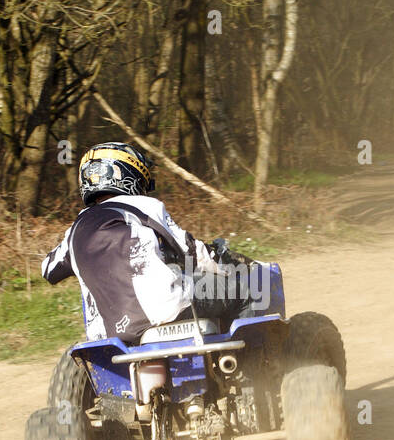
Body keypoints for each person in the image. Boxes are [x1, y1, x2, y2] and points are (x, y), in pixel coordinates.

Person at [41, 142, 257, 342]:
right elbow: (192, 252)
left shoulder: (76, 228)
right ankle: (254, 372)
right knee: (246, 291)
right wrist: (229, 263)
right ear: (128, 175)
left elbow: (48, 269)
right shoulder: (142, 205)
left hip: (108, 335)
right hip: (165, 308)